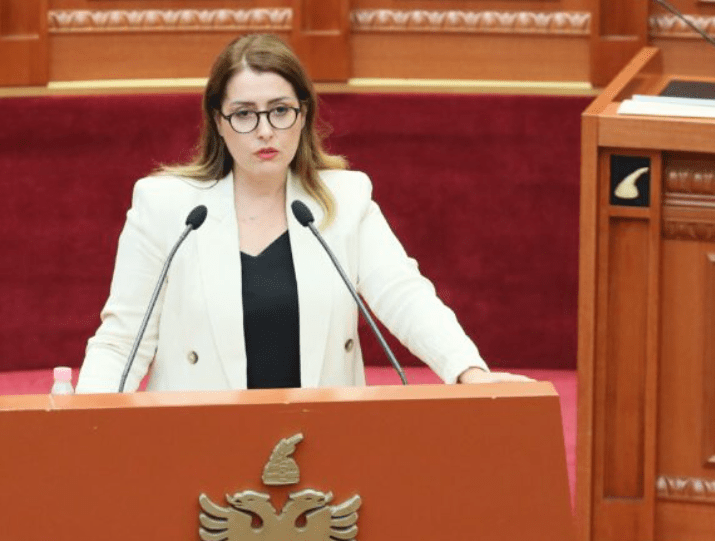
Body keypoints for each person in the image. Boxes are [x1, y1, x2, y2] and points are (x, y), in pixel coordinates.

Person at [75, 34, 530, 393]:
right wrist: (84, 420)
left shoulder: (344, 199)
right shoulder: (167, 206)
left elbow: (404, 295)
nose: (265, 131)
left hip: (321, 446)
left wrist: (468, 371)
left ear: (303, 114)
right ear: (218, 121)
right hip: (199, 444)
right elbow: (122, 339)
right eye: (244, 114)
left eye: (280, 111)